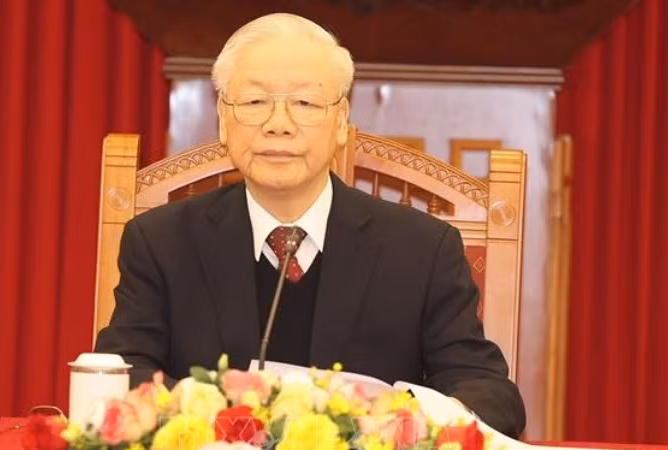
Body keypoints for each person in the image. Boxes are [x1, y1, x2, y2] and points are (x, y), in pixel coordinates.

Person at [94, 12, 526, 437]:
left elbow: (489, 393)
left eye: (304, 103)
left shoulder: (421, 250)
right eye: (254, 102)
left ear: (341, 122)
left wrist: (401, 422)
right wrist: (208, 417)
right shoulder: (161, 242)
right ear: (223, 121)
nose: (278, 125)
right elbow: (120, 376)